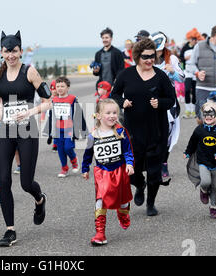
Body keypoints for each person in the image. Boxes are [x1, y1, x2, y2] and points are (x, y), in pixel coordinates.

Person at [0, 30, 51, 247]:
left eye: (15, 51)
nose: (11, 55)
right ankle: (10, 230)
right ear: (2, 52)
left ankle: (40, 199)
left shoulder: (30, 72)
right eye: (7, 51)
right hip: (6, 131)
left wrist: (29, 112)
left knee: (26, 182)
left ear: (20, 51)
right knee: (4, 181)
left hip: (27, 130)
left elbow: (48, 101)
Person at [111, 38, 175, 216]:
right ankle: (140, 185)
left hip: (156, 130)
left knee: (154, 172)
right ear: (137, 56)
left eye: (153, 56)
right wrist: (123, 102)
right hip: (133, 132)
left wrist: (160, 103)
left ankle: (151, 203)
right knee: (132, 170)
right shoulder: (126, 74)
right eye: (146, 57)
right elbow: (114, 94)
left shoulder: (161, 76)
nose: (150, 60)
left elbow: (171, 100)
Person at [81, 98, 134, 246]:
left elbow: (128, 150)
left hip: (120, 171)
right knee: (100, 201)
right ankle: (100, 233)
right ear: (98, 116)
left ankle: (123, 213)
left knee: (123, 200)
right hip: (102, 173)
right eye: (108, 113)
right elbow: (87, 155)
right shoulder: (93, 136)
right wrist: (85, 169)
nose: (112, 116)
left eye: (115, 113)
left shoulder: (121, 132)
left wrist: (129, 164)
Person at [184, 101, 216, 218]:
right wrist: (188, 152)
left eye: (211, 113)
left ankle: (213, 207)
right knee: (206, 181)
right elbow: (192, 142)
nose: (208, 116)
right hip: (203, 162)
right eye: (205, 114)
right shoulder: (199, 130)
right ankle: (203, 189)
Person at [151, 31, 183, 185]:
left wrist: (173, 72)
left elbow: (182, 78)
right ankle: (153, 163)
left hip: (169, 102)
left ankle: (164, 163)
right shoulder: (146, 58)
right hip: (151, 102)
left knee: (168, 135)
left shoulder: (172, 59)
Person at [43, 76, 87, 178]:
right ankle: (64, 168)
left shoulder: (72, 99)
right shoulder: (54, 100)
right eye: (57, 86)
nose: (59, 88)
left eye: (62, 86)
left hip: (69, 129)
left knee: (68, 148)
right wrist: (50, 133)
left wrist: (83, 131)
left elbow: (79, 114)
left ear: (68, 87)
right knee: (60, 150)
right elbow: (51, 117)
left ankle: (74, 160)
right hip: (58, 130)